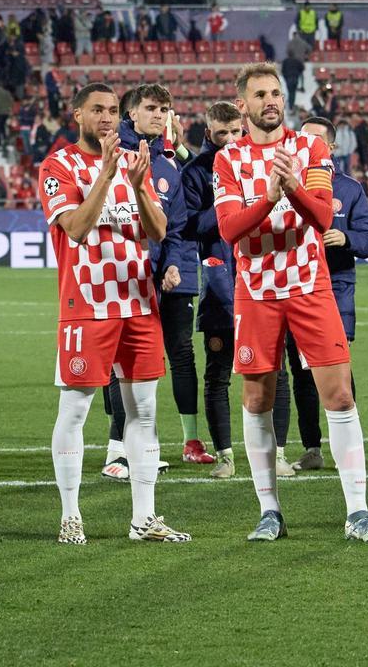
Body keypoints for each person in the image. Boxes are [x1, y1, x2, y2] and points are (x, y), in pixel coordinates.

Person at [214, 62, 368, 543]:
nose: (271, 100)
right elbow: (229, 230)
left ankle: (358, 511)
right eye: (261, 94)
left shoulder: (309, 147)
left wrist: (290, 188)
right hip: (256, 293)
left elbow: (322, 213)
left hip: (310, 285)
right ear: (243, 104)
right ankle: (269, 511)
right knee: (256, 399)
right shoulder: (228, 160)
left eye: (277, 92)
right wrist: (271, 197)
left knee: (340, 395)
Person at [39, 82, 190, 545]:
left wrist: (140, 186)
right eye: (97, 110)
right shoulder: (57, 165)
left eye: (111, 111)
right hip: (87, 305)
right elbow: (78, 229)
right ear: (78, 115)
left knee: (143, 412)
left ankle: (144, 519)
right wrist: (105, 175)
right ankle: (70, 516)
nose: (106, 118)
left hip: (139, 302)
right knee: (76, 409)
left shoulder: (132, 161)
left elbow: (159, 230)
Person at [101, 84, 207, 480]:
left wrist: (172, 265)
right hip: (118, 277)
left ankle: (134, 450)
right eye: (151, 108)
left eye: (165, 108)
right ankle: (117, 452)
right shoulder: (110, 155)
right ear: (132, 113)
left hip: (154, 280)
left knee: (143, 368)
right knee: (118, 366)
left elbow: (175, 228)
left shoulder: (165, 167)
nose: (159, 115)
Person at [181, 101, 283, 478]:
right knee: (219, 373)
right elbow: (186, 224)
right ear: (209, 133)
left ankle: (280, 453)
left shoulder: (265, 162)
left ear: (244, 129)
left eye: (235, 132)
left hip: (263, 277)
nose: (229, 140)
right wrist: (229, 210)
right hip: (220, 281)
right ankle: (226, 456)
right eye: (221, 133)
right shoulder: (196, 173)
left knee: (275, 370)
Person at [272, 116, 368, 473]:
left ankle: (350, 446)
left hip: (334, 289)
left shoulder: (349, 189)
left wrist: (346, 239)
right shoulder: (283, 184)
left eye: (315, 139)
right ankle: (312, 447)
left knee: (339, 373)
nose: (306, 143)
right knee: (301, 373)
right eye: (302, 137)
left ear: (330, 147)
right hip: (294, 288)